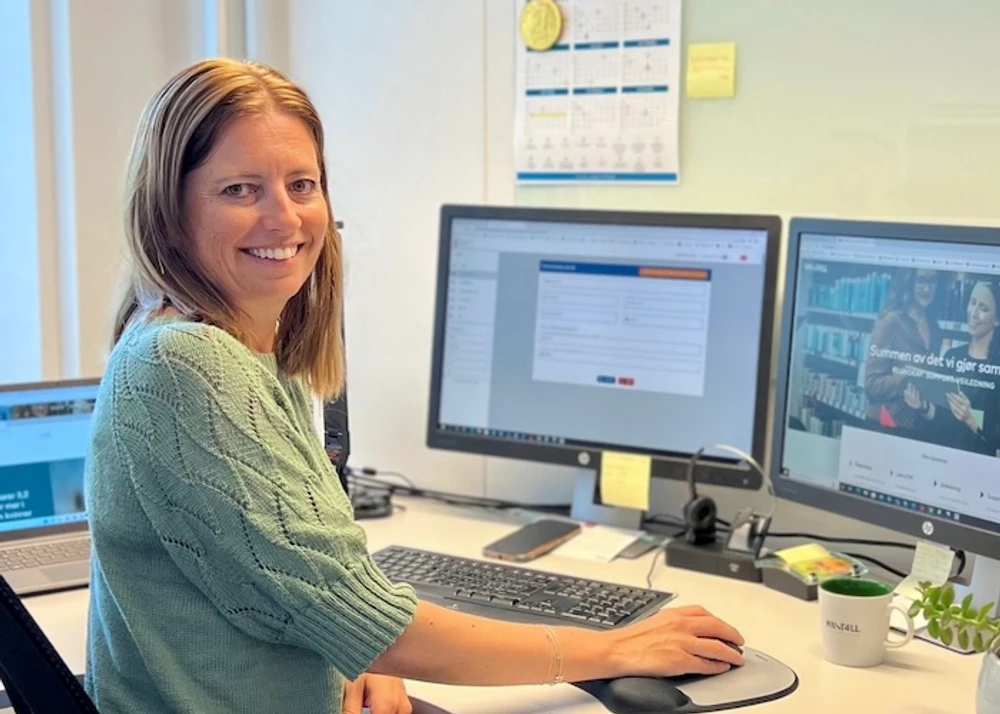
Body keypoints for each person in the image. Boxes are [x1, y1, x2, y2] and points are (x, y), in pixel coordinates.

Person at [83, 58, 744, 714]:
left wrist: (354, 656)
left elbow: (302, 590)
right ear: (170, 209)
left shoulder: (240, 347)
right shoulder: (185, 363)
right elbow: (370, 618)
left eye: (302, 185)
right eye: (239, 189)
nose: (284, 218)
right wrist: (615, 649)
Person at [864, 267, 944, 434]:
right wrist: (905, 376)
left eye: (932, 281)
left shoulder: (935, 329)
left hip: (919, 428)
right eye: (921, 280)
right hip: (886, 427)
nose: (927, 288)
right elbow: (871, 387)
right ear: (909, 281)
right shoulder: (890, 322)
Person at [939, 280, 1000, 456]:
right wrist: (924, 407)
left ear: (997, 319)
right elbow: (939, 418)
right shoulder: (952, 356)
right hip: (944, 454)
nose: (973, 313)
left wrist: (969, 417)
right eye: (972, 303)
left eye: (983, 308)